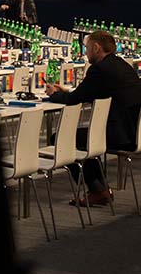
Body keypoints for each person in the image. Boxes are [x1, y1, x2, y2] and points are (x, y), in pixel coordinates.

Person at [47, 31, 141, 206]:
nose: (85, 52)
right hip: (133, 131)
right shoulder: (121, 65)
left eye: (87, 48)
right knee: (85, 140)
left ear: (96, 48)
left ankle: (97, 190)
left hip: (119, 135)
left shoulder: (99, 69)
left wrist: (54, 95)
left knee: (61, 138)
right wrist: (68, 92)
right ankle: (100, 189)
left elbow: (73, 100)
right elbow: (95, 93)